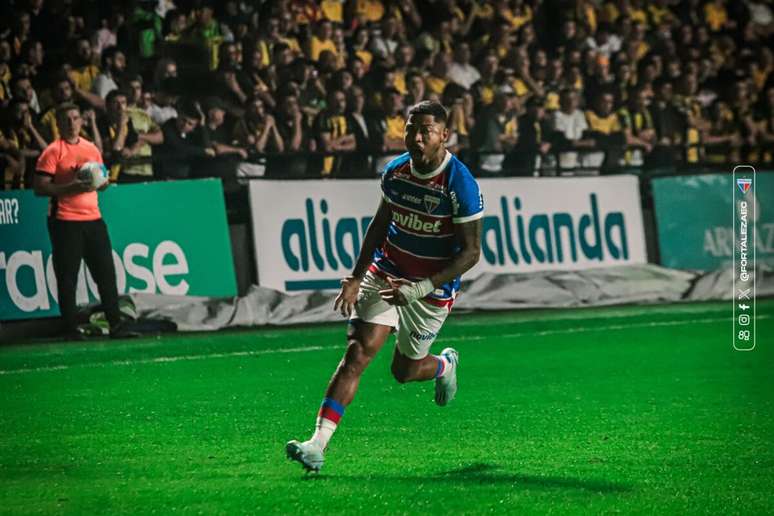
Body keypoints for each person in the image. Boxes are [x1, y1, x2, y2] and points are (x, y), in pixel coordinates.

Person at [286, 100, 484, 472]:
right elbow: (379, 226)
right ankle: (317, 445)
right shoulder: (395, 172)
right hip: (387, 270)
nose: (417, 136)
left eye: (426, 129)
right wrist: (357, 276)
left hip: (430, 289)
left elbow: (471, 253)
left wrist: (421, 287)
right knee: (358, 353)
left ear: (445, 135)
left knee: (404, 372)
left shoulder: (459, 183)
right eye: (411, 128)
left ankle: (444, 366)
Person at [32, 103, 136, 340]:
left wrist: (101, 183)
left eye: (76, 118)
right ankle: (69, 328)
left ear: (82, 121)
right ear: (58, 124)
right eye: (66, 119)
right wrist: (71, 187)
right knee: (68, 276)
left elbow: (104, 181)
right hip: (65, 220)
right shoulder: (52, 151)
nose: (71, 123)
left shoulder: (91, 149)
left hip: (94, 219)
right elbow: (39, 188)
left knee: (106, 273)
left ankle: (115, 324)